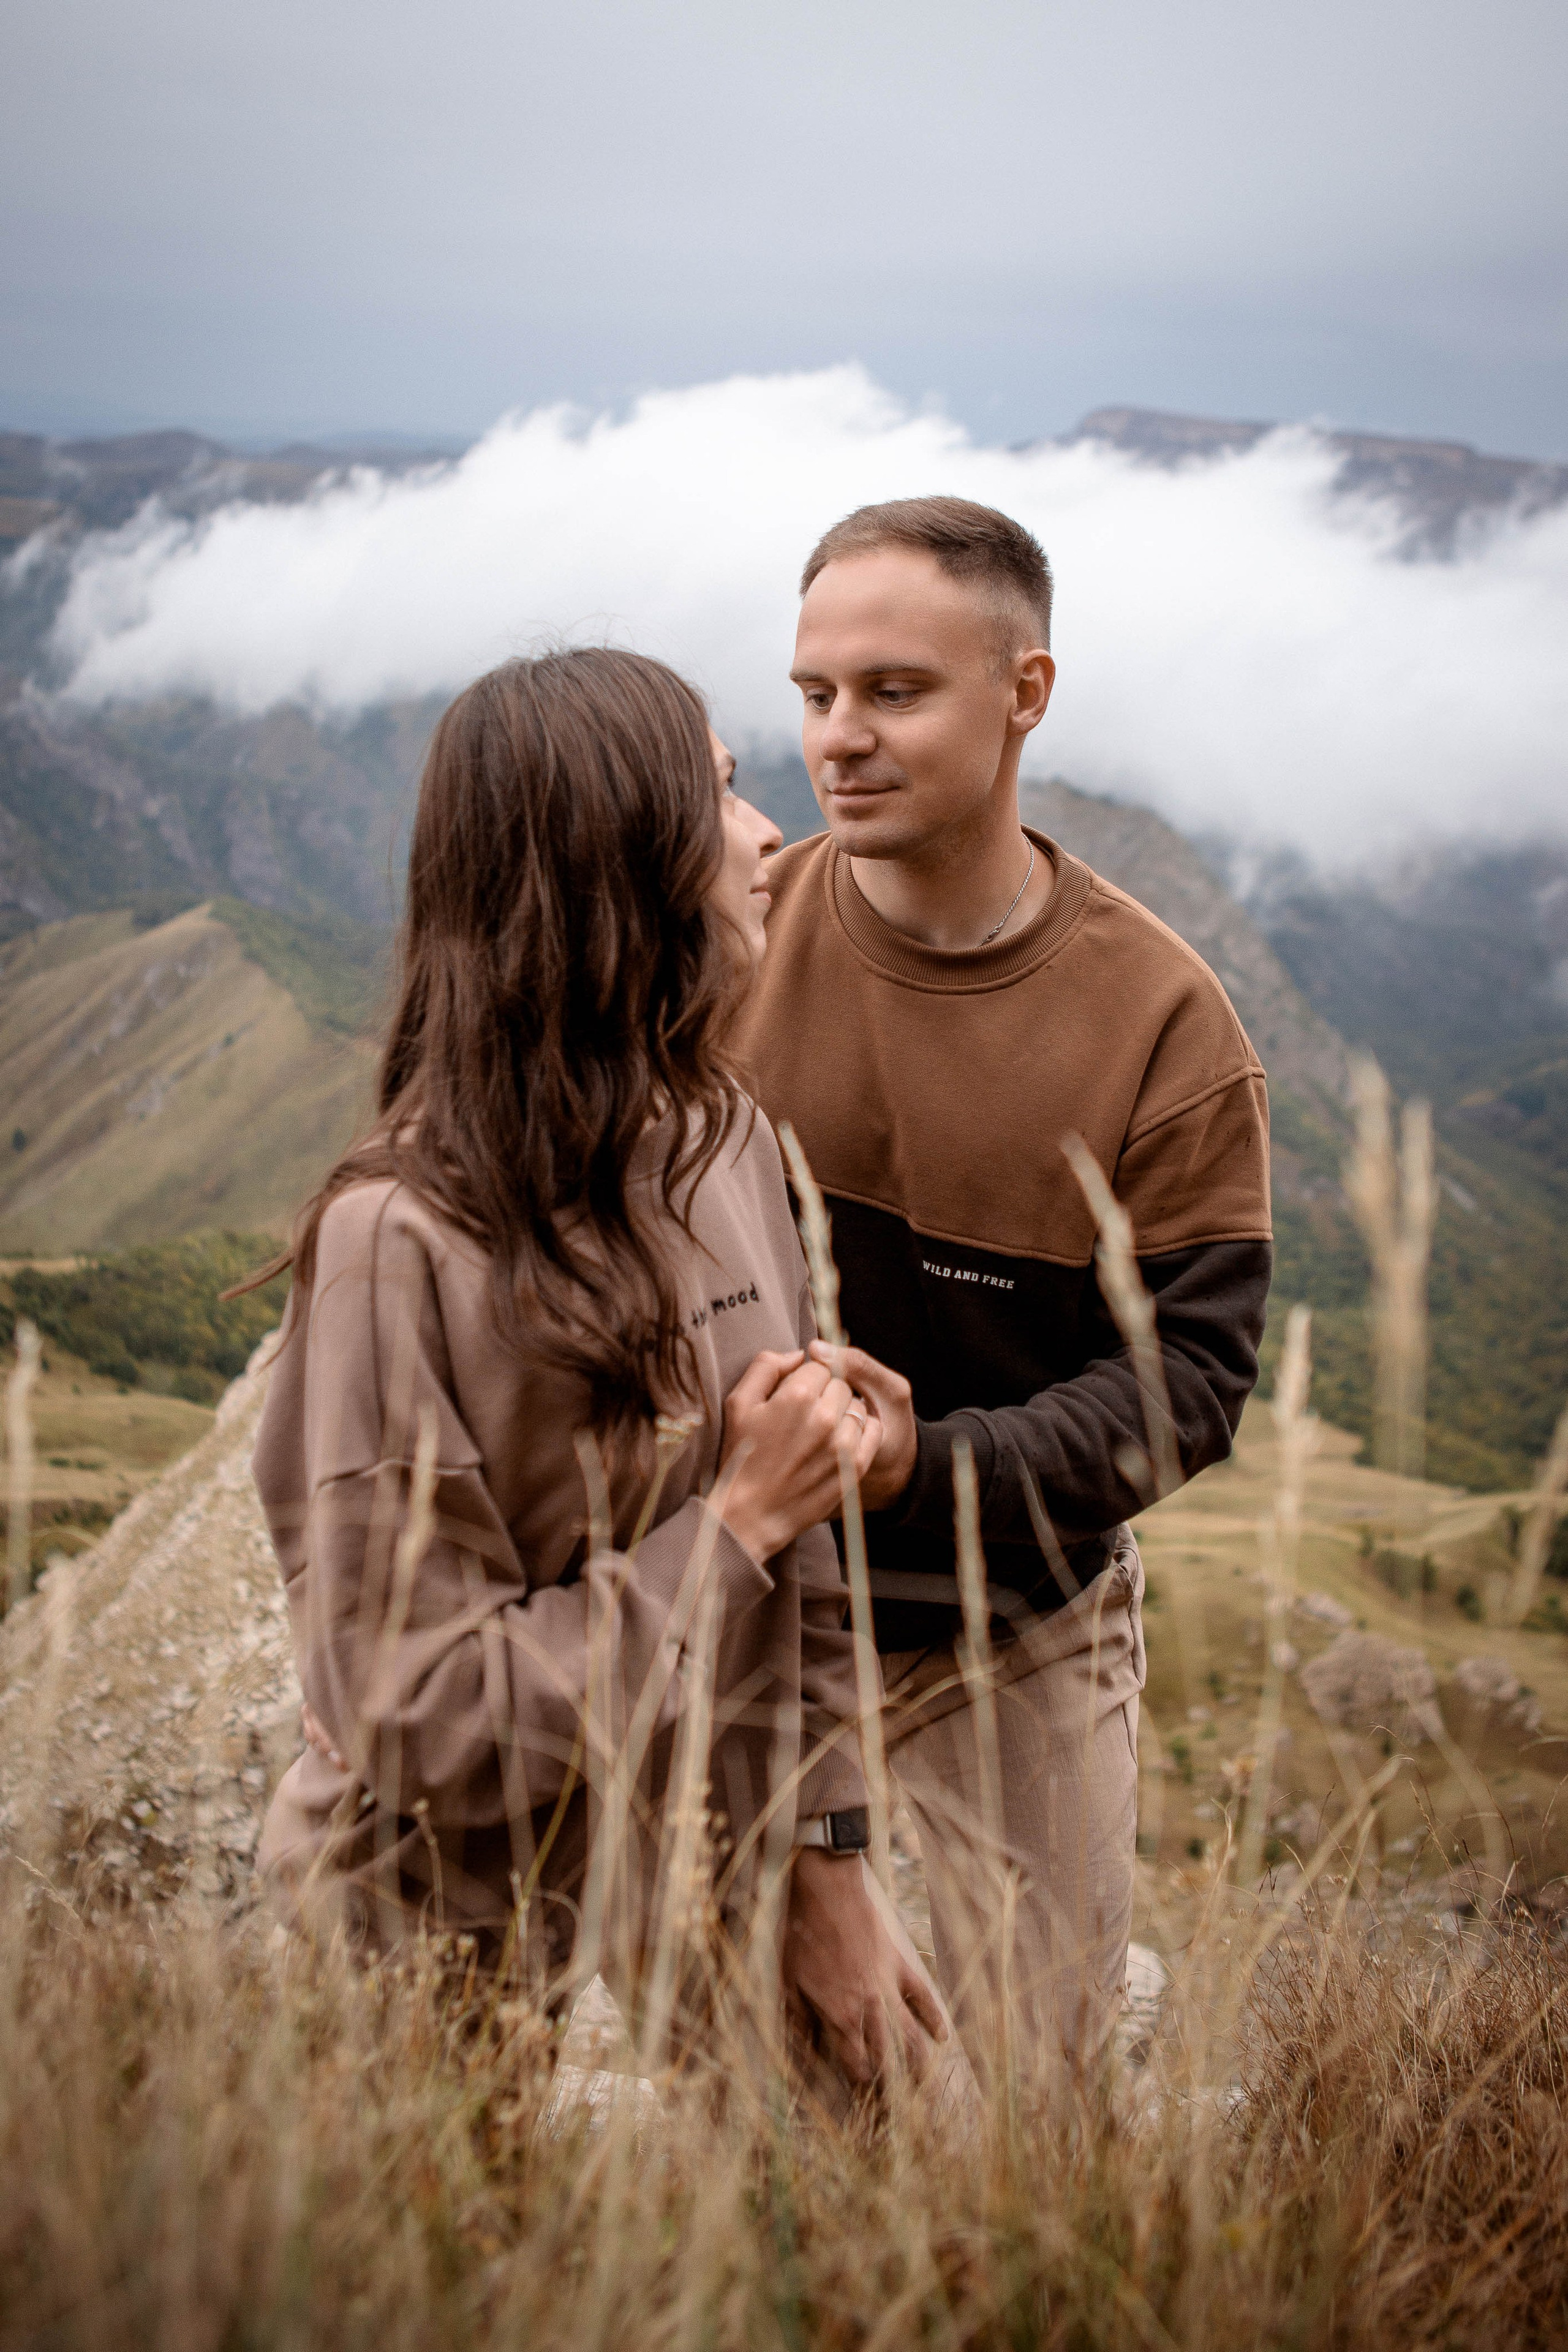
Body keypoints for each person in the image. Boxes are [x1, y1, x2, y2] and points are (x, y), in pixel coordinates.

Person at [252, 647, 944, 2085]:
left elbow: (806, 1578)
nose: (768, 838)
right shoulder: (400, 1243)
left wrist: (829, 1860)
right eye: (714, 799)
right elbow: (417, 1718)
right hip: (427, 1951)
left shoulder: (728, 1142)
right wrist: (736, 1522)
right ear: (612, 864)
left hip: (711, 1872)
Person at [736, 497, 1273, 2077]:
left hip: (1014, 1627)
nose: (840, 739)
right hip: (753, 1609)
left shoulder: (1161, 1021)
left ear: (1023, 693)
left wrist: (922, 1468)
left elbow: (1188, 1385)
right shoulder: (731, 941)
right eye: (814, 696)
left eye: (894, 692)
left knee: (1037, 2110)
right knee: (792, 2119)